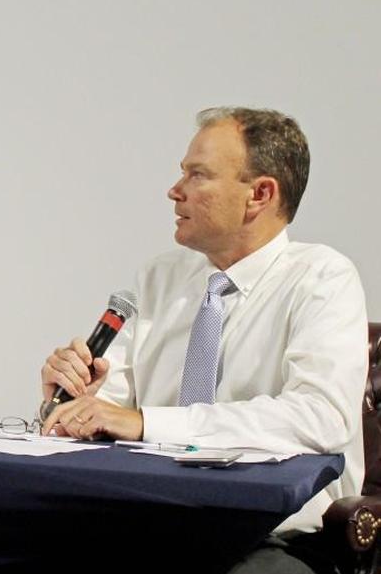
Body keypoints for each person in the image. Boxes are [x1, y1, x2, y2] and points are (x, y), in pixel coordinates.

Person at [38, 108, 366, 573]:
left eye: (198, 175)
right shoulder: (160, 278)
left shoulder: (322, 280)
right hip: (148, 524)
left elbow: (321, 417)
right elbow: (111, 412)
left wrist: (149, 423)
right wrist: (72, 401)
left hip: (271, 538)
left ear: (259, 194)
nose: (175, 191)